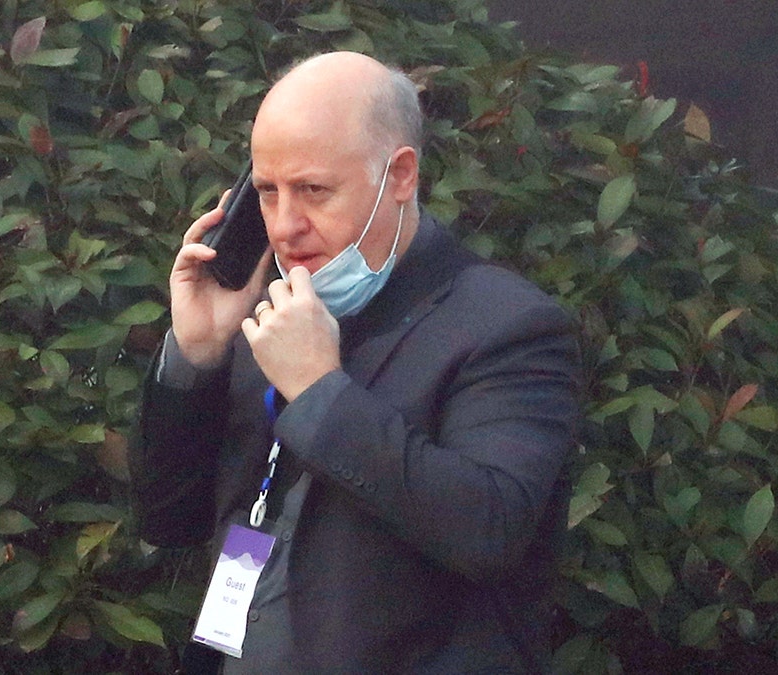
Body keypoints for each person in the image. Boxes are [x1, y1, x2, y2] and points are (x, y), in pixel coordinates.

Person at [132, 51, 580, 673]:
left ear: (399, 176)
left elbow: (490, 528)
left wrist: (319, 392)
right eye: (266, 193)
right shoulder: (268, 312)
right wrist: (197, 357)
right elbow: (169, 520)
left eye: (313, 190)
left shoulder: (505, 324)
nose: (286, 227)